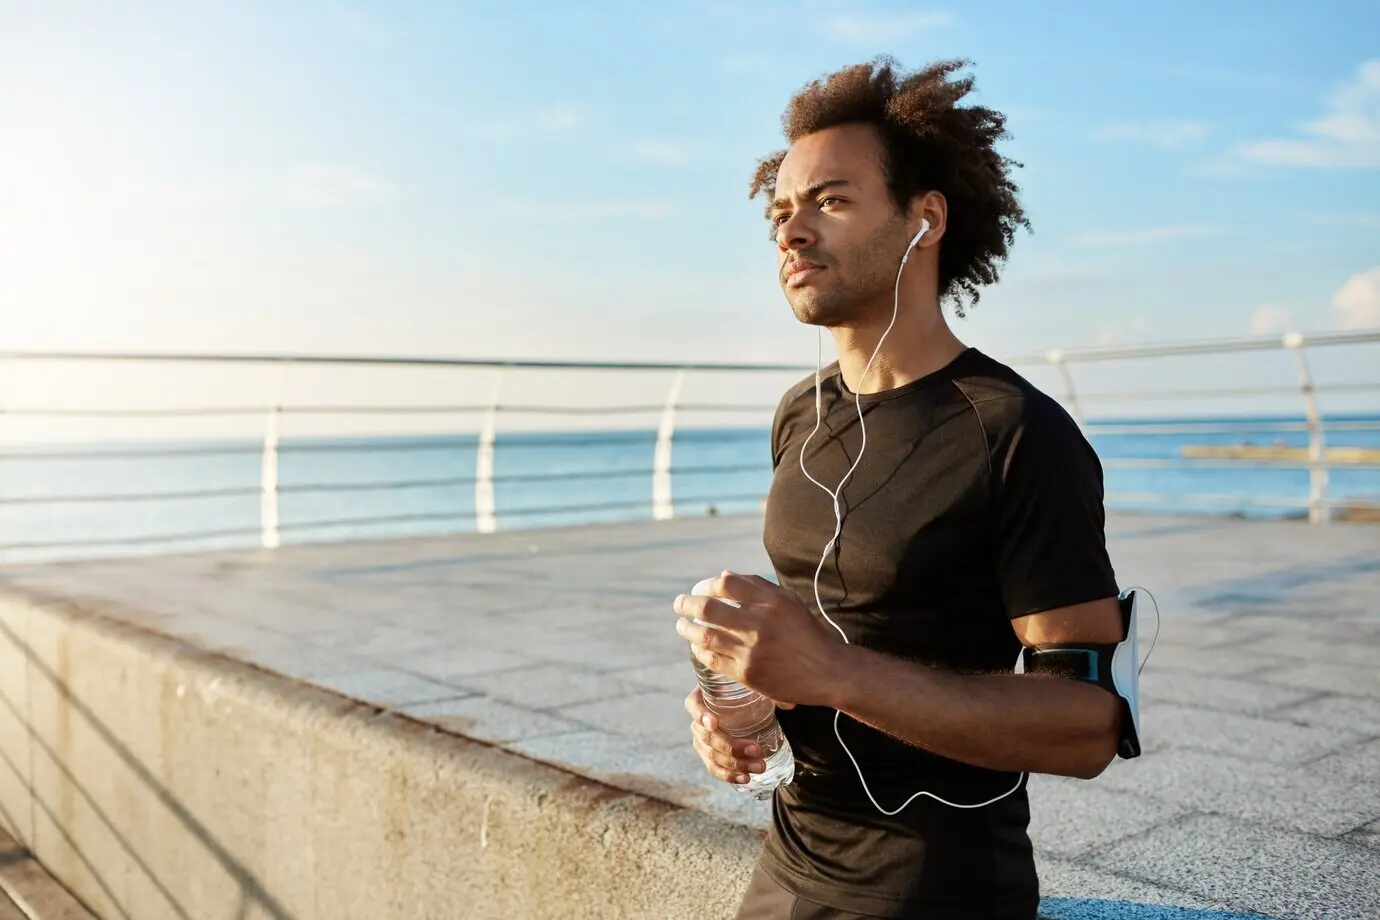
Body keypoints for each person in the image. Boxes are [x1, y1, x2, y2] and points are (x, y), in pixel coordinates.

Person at [674, 58, 1128, 920]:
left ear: (925, 220)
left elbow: (1088, 724)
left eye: (830, 201)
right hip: (788, 862)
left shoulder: (1016, 432)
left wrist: (835, 673)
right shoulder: (799, 414)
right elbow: (834, 634)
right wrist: (751, 705)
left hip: (936, 887)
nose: (791, 232)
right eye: (781, 211)